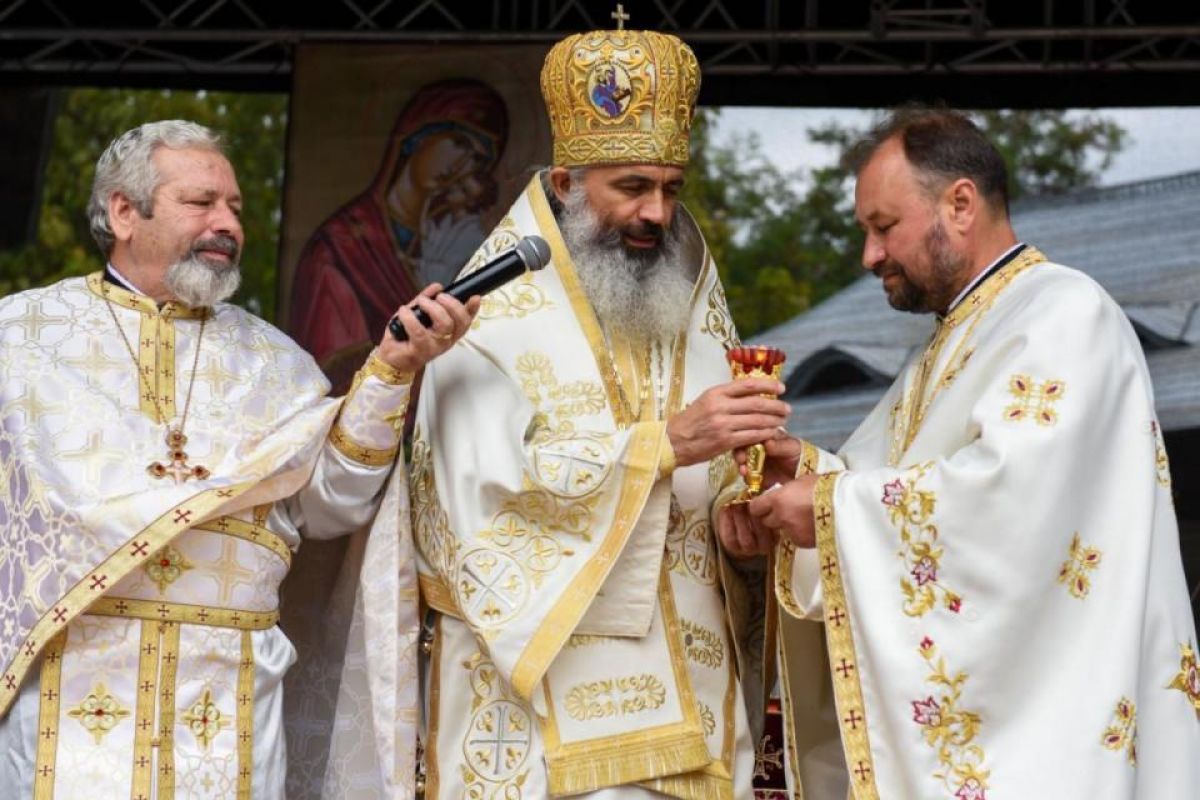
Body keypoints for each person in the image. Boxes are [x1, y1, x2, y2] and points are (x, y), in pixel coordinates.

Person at [725, 107, 1200, 798]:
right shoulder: (949, 341)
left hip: (1054, 740)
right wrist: (803, 469)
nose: (869, 256)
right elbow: (887, 480)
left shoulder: (1064, 312)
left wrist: (826, 509)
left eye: (884, 226)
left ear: (960, 204)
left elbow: (1011, 505)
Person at [0, 119, 477, 798]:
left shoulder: (275, 362)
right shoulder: (21, 339)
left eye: (235, 208)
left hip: (227, 695)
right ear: (124, 212)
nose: (227, 224)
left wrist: (391, 371)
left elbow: (333, 504)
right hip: (70, 688)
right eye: (201, 203)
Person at [410, 23, 792, 799]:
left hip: (695, 695)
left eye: (672, 188)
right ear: (564, 184)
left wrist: (740, 517)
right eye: (632, 187)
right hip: (548, 712)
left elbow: (716, 476)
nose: (657, 212)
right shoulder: (488, 319)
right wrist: (662, 446)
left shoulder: (689, 305)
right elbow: (471, 512)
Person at [289, 78, 509, 393]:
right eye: (459, 143)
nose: (461, 164)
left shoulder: (443, 242)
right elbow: (333, 372)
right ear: (418, 135)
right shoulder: (339, 247)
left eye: (477, 158)